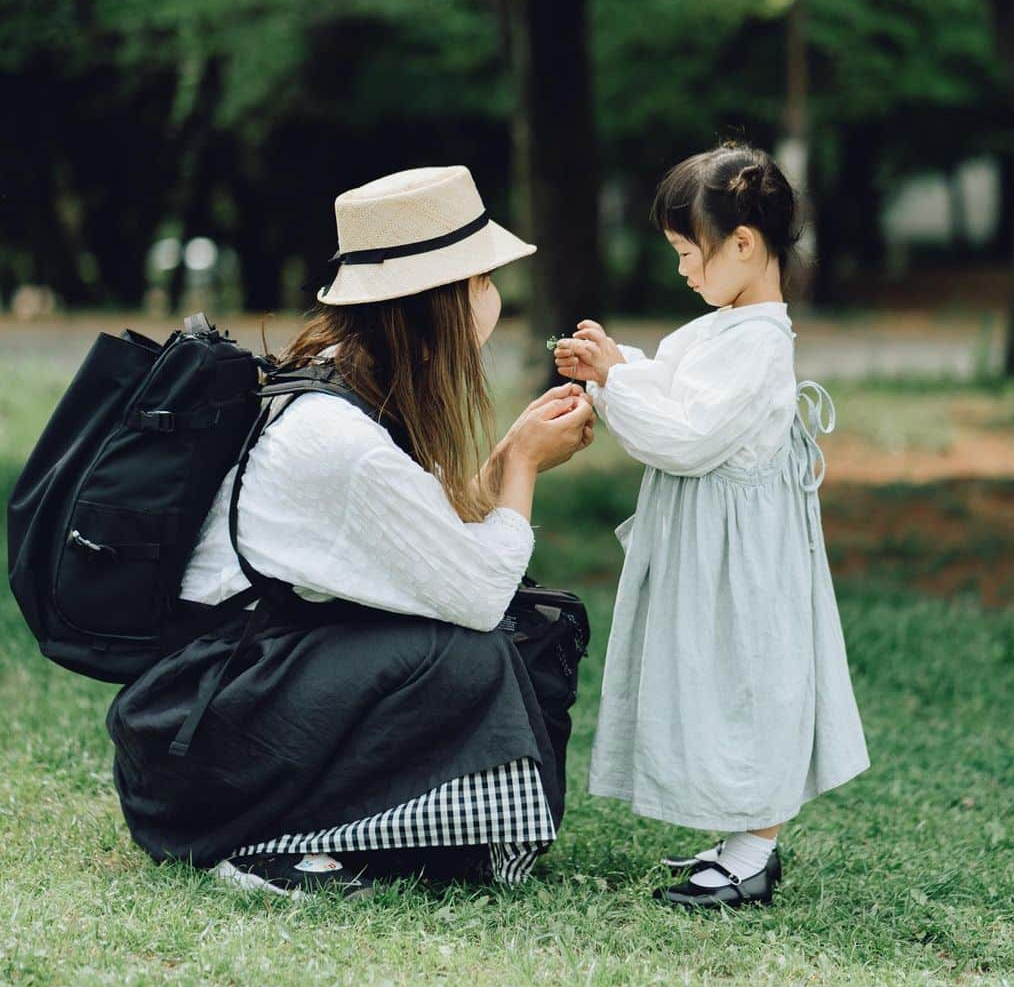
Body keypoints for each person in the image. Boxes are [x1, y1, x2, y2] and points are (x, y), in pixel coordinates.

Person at [108, 165, 596, 898]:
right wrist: (523, 466)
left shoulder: (340, 380)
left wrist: (503, 463)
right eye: (485, 279)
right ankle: (270, 844)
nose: (496, 298)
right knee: (468, 658)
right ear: (444, 299)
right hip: (209, 753)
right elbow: (482, 594)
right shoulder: (343, 438)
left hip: (219, 715)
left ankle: (389, 834)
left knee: (463, 653)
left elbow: (428, 541)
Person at [553, 142, 869, 910]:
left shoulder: (759, 344)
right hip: (711, 555)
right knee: (714, 685)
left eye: (688, 252)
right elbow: (676, 387)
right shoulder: (726, 327)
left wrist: (614, 381)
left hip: (741, 569)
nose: (684, 270)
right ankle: (737, 840)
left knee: (745, 685)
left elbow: (688, 436)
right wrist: (618, 364)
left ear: (743, 244)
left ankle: (755, 854)